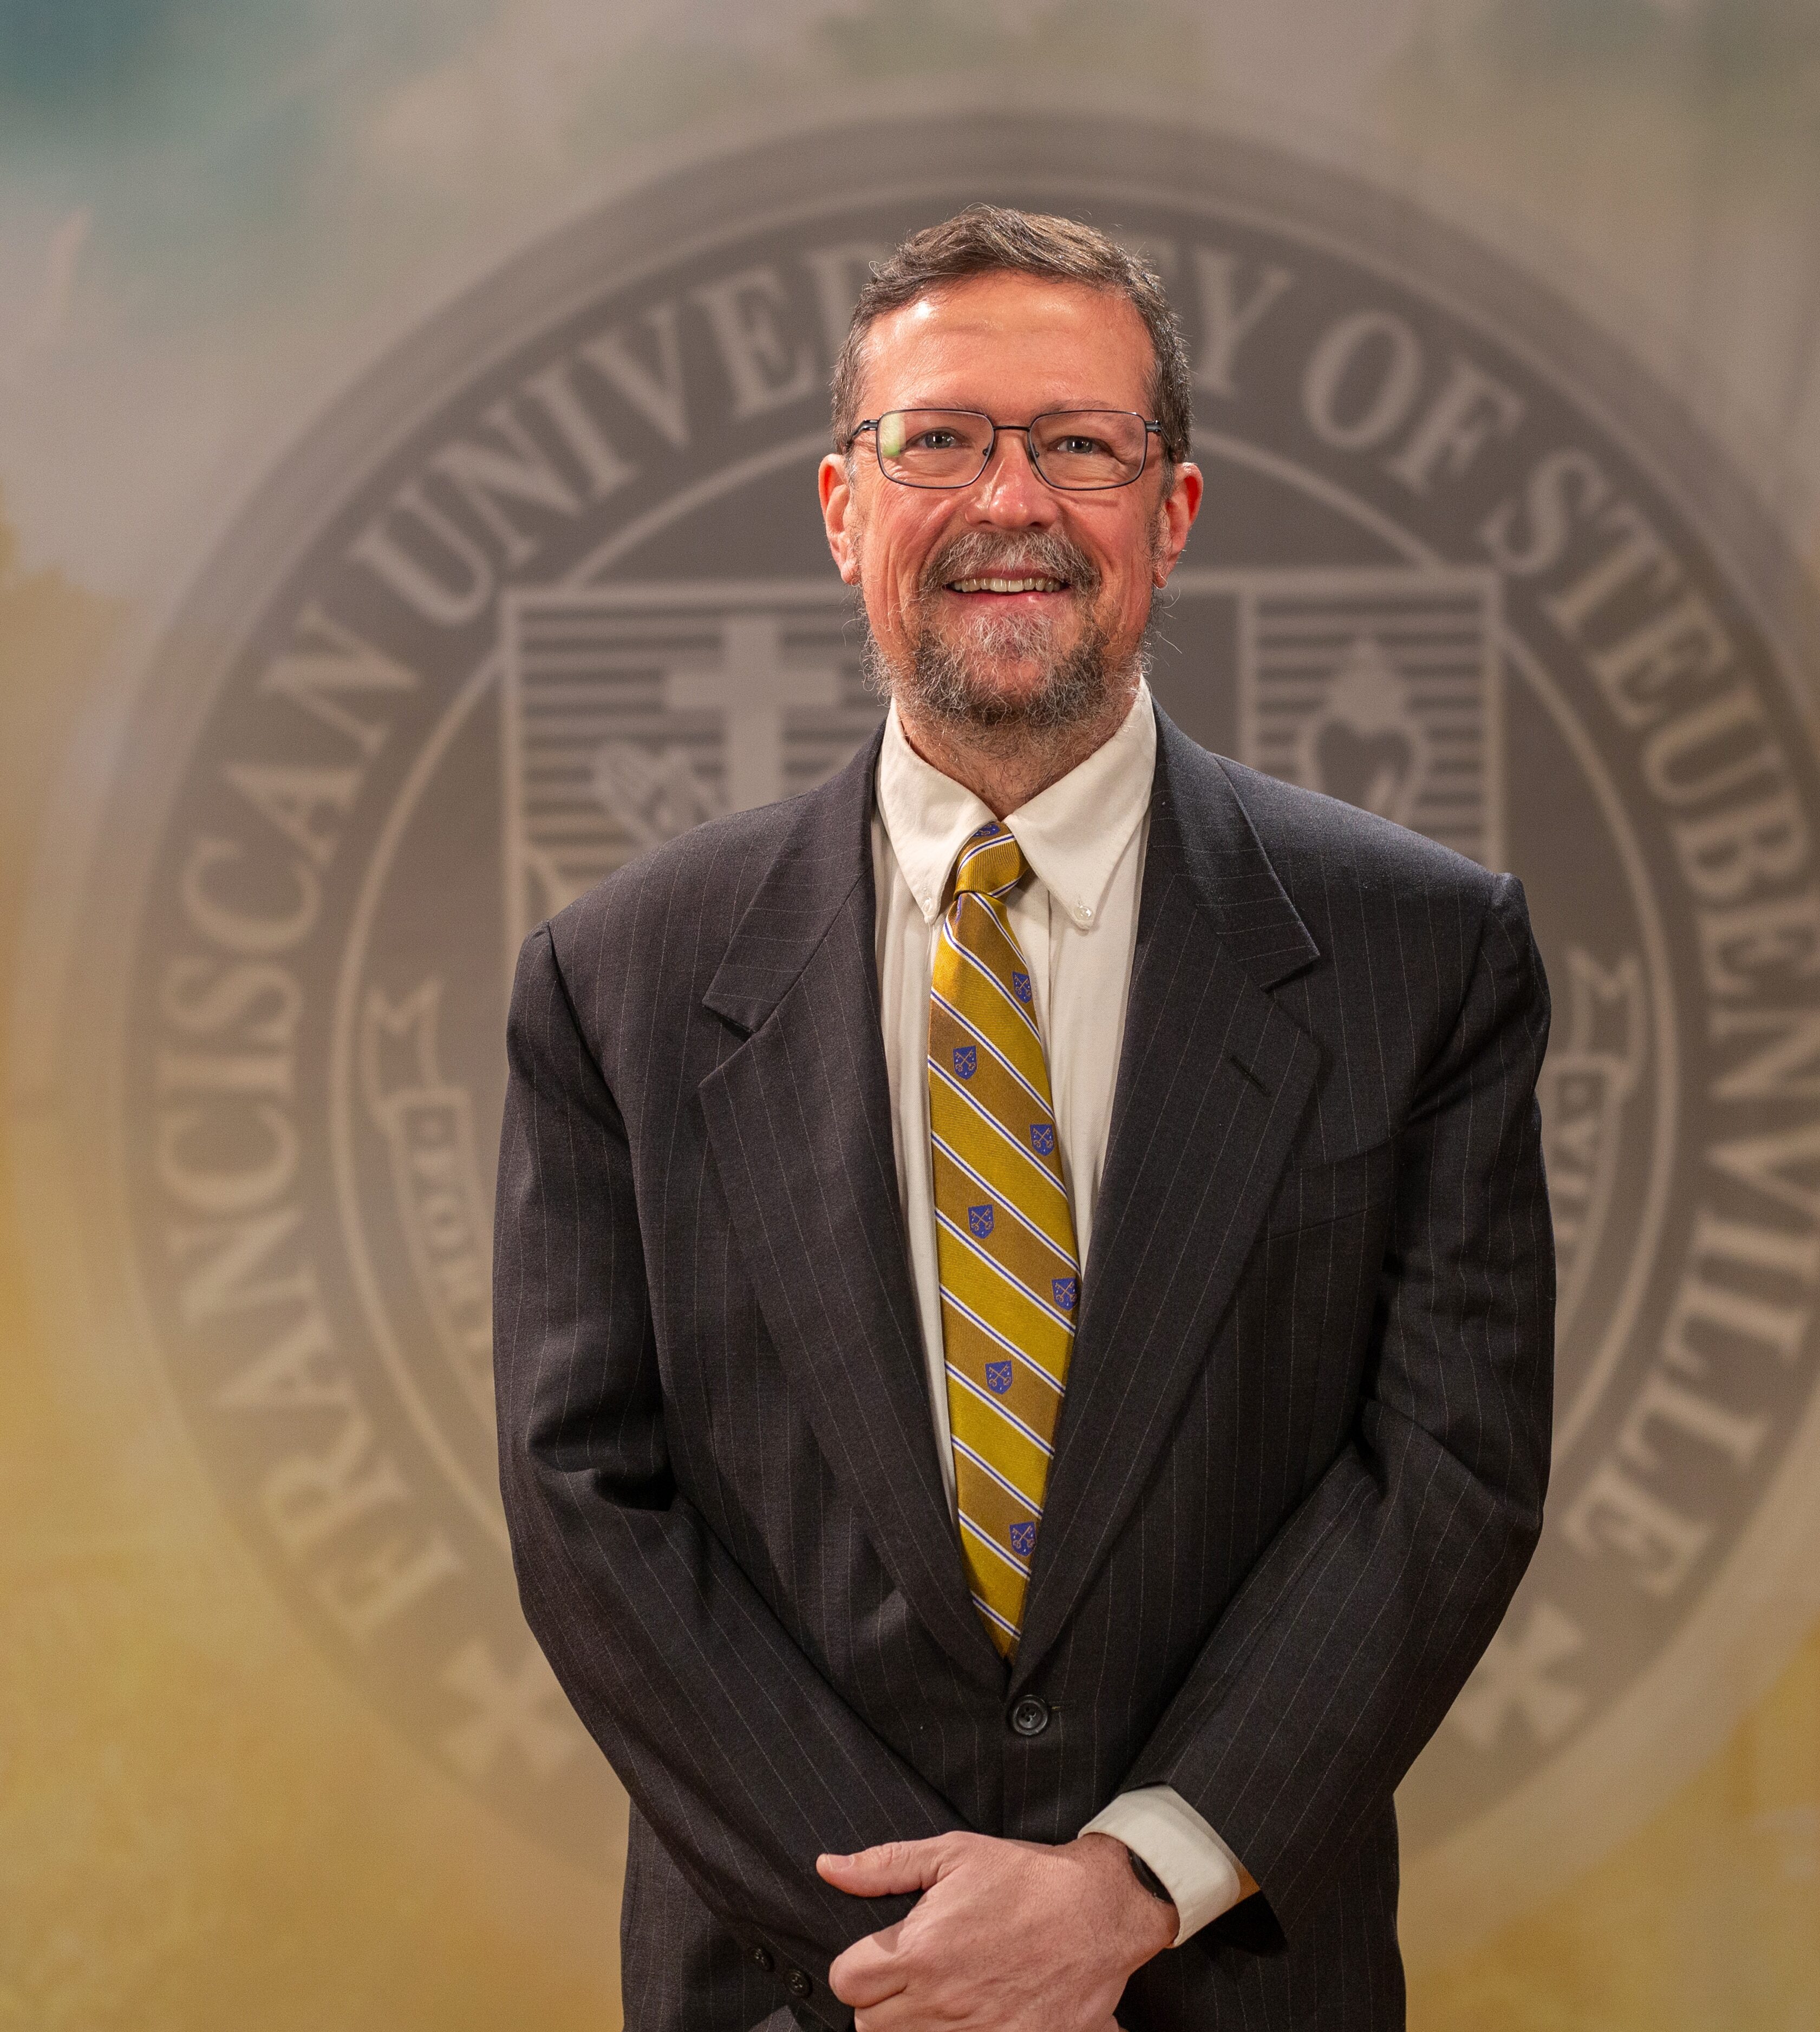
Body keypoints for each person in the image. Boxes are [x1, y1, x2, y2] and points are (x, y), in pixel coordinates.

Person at [494, 205, 1555, 2032]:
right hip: (800, 1980)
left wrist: (1126, 1887)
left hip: (1226, 1984)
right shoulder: (617, 980)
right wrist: (943, 1942)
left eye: (1079, 444)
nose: (1012, 500)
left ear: (1172, 514)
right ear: (844, 511)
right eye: (941, 441)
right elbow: (588, 1504)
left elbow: (1441, 1471)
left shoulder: (1420, 954)